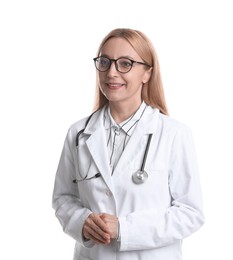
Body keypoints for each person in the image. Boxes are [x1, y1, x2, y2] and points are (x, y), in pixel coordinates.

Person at [52, 28, 205, 260]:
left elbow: (190, 213)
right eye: (105, 62)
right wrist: (82, 222)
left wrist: (124, 229)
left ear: (147, 73)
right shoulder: (79, 133)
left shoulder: (174, 134)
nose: (111, 72)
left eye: (125, 64)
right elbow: (63, 198)